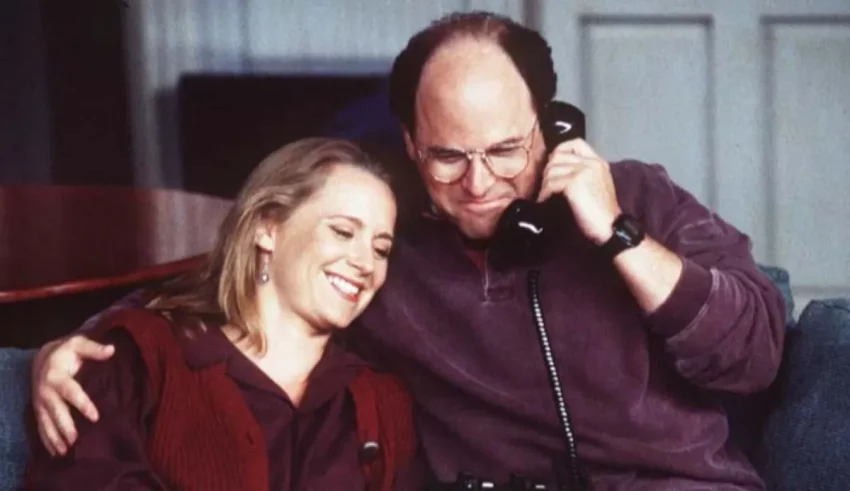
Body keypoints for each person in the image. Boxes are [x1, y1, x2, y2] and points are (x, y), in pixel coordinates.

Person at [30, 11, 786, 490]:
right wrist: (77, 342)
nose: (481, 182)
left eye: (505, 150)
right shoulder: (385, 253)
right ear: (412, 146)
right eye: (449, 157)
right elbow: (244, 282)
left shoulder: (637, 198)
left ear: (551, 127)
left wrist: (618, 235)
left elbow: (754, 354)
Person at [24, 138, 419, 490]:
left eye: (381, 249)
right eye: (343, 232)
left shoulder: (382, 402)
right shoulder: (138, 358)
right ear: (268, 228)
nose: (365, 262)